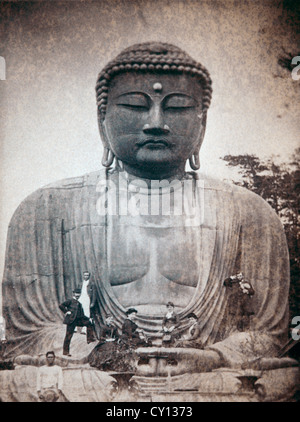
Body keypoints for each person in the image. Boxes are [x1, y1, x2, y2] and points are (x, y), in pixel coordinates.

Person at [1, 42, 292, 379]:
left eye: (178, 107)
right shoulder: (47, 209)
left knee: (281, 382)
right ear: (102, 119)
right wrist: (98, 353)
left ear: (203, 123)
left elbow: (269, 335)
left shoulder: (250, 213)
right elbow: (27, 335)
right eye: (134, 106)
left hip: (208, 377)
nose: (156, 122)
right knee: (16, 383)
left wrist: (215, 356)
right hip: (93, 376)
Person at [59, 288, 96, 356]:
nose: (78, 295)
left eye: (79, 293)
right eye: (76, 293)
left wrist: (88, 319)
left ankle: (89, 339)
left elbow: (82, 315)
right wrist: (66, 311)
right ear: (74, 294)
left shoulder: (79, 304)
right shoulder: (70, 301)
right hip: (71, 321)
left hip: (78, 321)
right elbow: (61, 305)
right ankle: (66, 352)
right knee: (68, 336)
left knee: (89, 323)